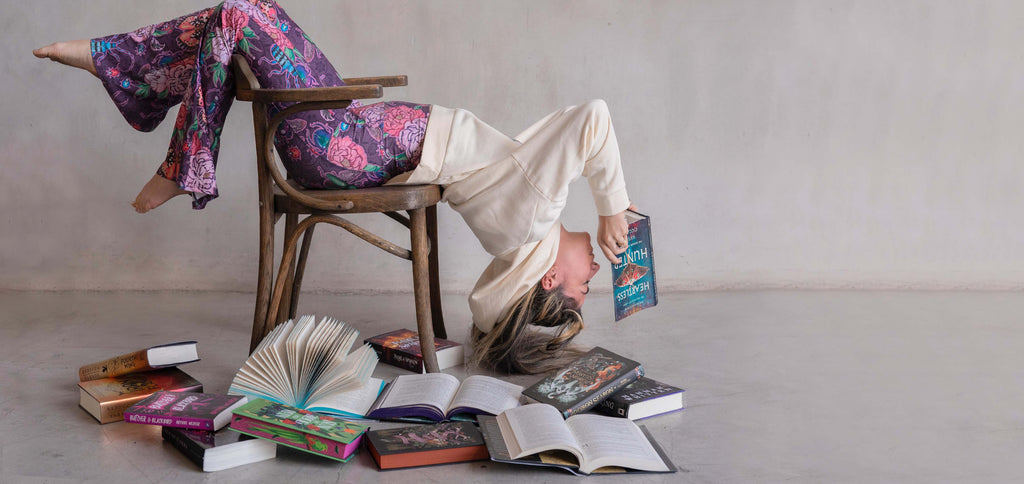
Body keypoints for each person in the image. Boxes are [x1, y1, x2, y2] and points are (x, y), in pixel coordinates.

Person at [34, 0, 635, 374]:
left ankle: (165, 135)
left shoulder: (532, 218)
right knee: (236, 13)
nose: (594, 279)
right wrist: (612, 209)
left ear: (549, 277)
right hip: (342, 130)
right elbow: (577, 131)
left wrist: (613, 208)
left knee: (241, 11)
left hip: (337, 143)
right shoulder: (526, 216)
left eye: (584, 290)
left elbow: (593, 117)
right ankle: (124, 72)